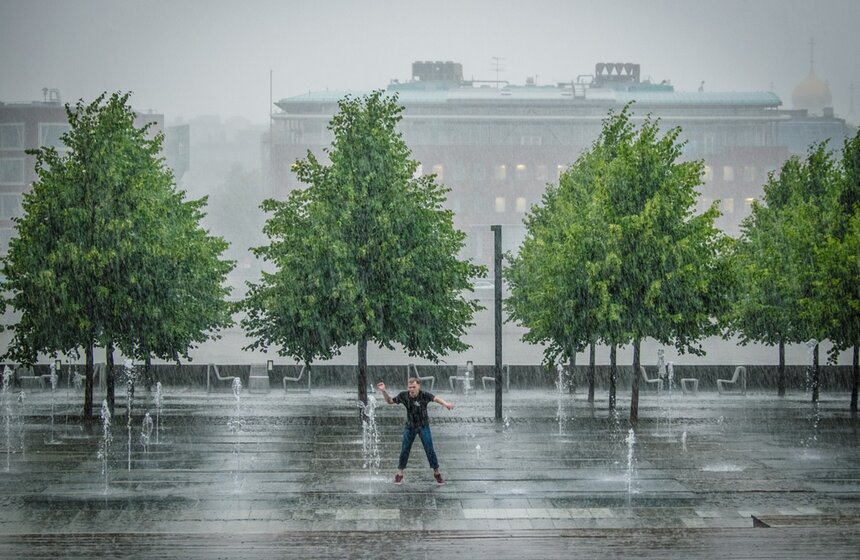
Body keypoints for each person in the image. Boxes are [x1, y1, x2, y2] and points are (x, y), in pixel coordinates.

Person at [376, 377, 454, 485]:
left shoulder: (424, 395)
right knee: (405, 449)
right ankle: (399, 474)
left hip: (423, 426)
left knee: (429, 449)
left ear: (418, 386)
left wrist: (446, 404)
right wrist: (384, 391)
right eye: (410, 387)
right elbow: (389, 401)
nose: (411, 389)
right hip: (410, 427)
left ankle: (437, 473)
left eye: (413, 387)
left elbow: (436, 399)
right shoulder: (403, 396)